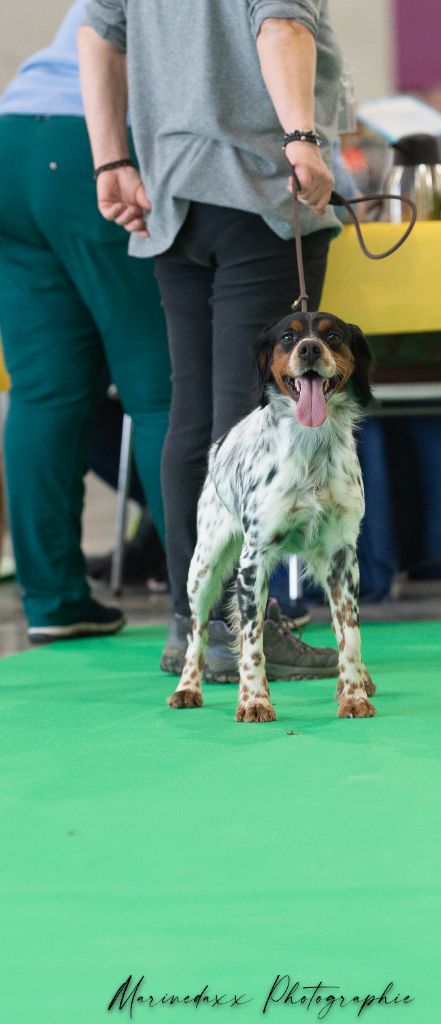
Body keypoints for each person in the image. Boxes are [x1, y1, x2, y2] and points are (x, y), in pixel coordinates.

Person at [78, 0, 345, 680]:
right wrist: (303, 139)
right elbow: (281, 24)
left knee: (194, 417)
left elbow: (96, 35)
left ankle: (195, 619)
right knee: (243, 423)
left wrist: (110, 159)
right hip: (260, 189)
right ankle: (237, 625)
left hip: (175, 200)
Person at [0, 1, 172, 643]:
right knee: (161, 391)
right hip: (96, 147)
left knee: (44, 391)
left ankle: (53, 600)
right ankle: (209, 602)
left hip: (14, 136)